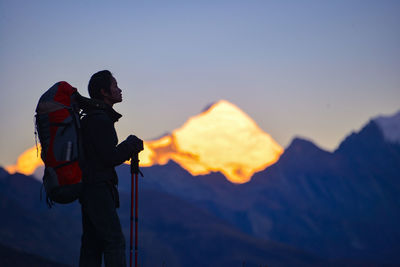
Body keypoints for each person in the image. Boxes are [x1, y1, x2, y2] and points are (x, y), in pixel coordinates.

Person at [79, 70, 143, 267]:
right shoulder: (99, 119)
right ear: (104, 92)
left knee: (92, 244)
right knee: (114, 240)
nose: (119, 89)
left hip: (89, 187)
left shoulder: (92, 118)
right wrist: (130, 145)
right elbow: (109, 158)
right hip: (98, 188)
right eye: (115, 86)